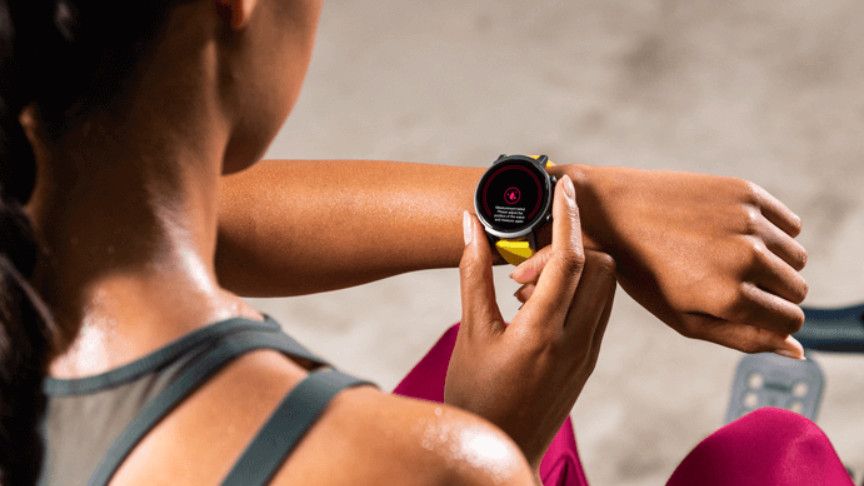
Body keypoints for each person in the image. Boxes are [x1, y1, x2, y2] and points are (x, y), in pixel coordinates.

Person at [0, 1, 851, 485]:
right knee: (772, 460)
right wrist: (487, 438)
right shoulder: (424, 469)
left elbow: (201, 214)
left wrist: (568, 198)